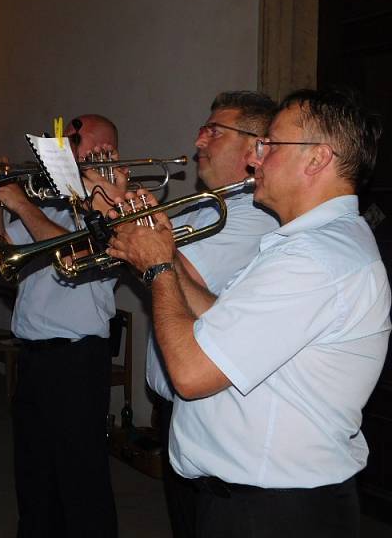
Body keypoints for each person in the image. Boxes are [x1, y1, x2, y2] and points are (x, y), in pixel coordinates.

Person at [107, 88, 391, 538]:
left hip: (274, 511)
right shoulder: (307, 244)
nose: (256, 159)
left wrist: (159, 266)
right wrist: (160, 243)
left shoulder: (314, 258)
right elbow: (217, 317)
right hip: (261, 500)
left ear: (317, 159)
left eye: (270, 145)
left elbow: (191, 373)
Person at [145, 91, 279, 537]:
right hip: (174, 403)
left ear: (255, 148)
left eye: (213, 132)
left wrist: (135, 221)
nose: (199, 141)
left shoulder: (254, 217)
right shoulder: (209, 204)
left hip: (203, 403)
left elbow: (179, 280)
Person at [0, 114, 119, 538]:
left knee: (82, 485)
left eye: (75, 141)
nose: (64, 148)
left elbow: (74, 254)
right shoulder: (49, 203)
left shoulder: (111, 203)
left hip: (78, 359)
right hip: (35, 358)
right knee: (34, 479)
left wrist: (21, 202)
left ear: (105, 150)